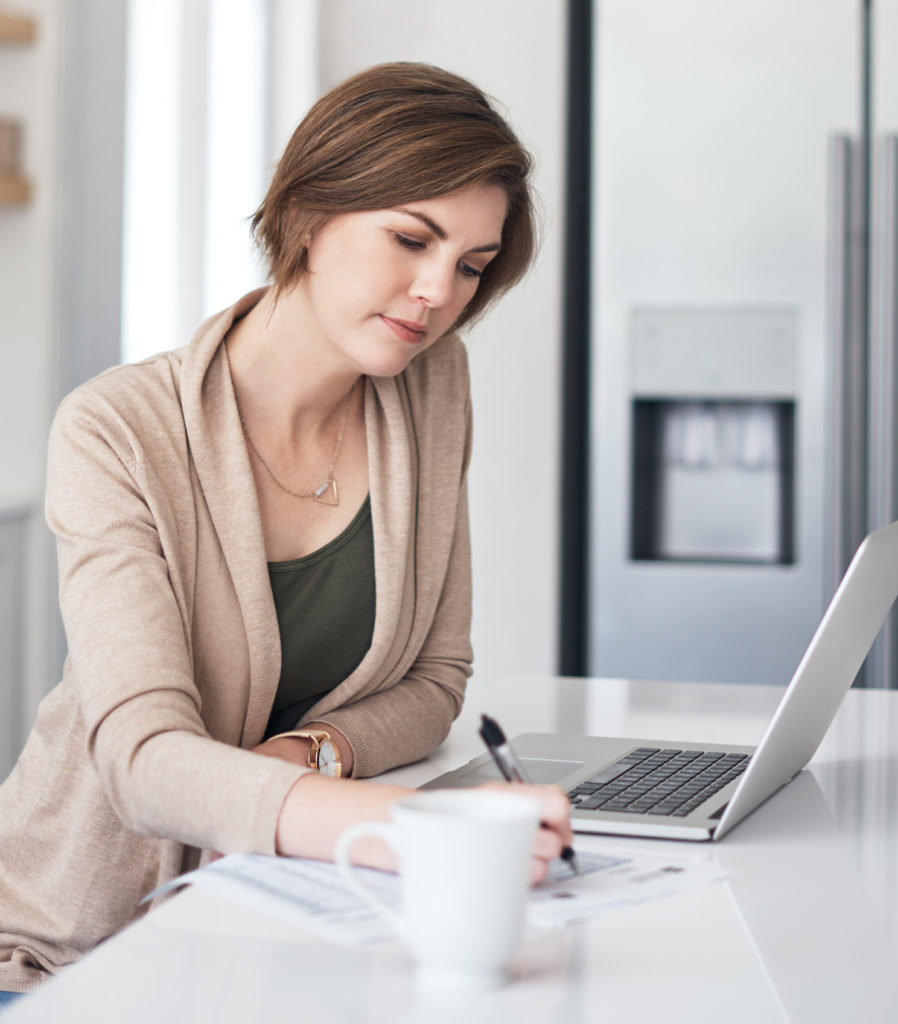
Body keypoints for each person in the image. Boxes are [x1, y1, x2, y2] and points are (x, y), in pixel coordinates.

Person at [0, 62, 572, 997]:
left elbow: (436, 680)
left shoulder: (431, 386)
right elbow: (143, 764)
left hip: (277, 916)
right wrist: (417, 835)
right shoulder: (118, 429)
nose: (438, 292)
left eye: (471, 265)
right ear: (307, 217)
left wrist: (312, 753)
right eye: (410, 239)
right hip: (73, 949)